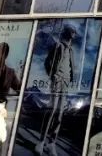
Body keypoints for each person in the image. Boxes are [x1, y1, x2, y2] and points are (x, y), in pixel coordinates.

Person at [36, 26, 77, 156]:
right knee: (52, 109)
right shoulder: (58, 46)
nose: (74, 34)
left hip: (65, 82)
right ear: (67, 33)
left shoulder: (71, 50)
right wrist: (52, 75)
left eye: (74, 32)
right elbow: (47, 62)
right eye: (72, 32)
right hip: (57, 80)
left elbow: (71, 66)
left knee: (59, 113)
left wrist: (71, 78)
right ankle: (41, 141)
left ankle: (51, 143)